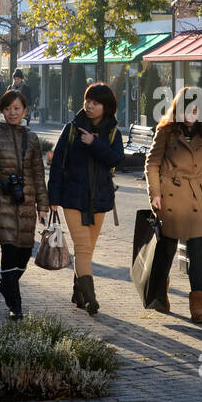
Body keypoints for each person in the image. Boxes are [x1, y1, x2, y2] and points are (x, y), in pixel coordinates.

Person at [145, 86, 202, 323]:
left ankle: (198, 307)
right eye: (186, 110)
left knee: (198, 251)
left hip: (197, 197)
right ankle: (160, 294)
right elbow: (152, 164)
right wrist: (155, 194)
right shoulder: (166, 132)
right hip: (169, 195)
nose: (190, 115)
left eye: (196, 110)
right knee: (166, 249)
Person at [47, 82, 123, 316]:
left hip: (99, 199)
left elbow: (116, 161)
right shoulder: (71, 129)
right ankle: (91, 299)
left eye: (95, 103)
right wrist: (53, 197)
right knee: (82, 247)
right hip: (73, 197)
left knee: (87, 251)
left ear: (106, 107)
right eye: (87, 101)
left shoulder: (113, 133)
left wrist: (95, 144)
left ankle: (78, 291)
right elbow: (58, 164)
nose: (89, 106)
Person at [0, 89, 49, 319]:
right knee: (9, 251)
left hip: (26, 204)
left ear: (25, 110)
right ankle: (15, 305)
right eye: (7, 109)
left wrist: (43, 205)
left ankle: (6, 285)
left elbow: (39, 174)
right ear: (1, 110)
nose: (12, 113)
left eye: (17, 108)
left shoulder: (33, 138)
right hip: (2, 203)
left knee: (24, 253)